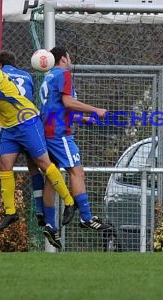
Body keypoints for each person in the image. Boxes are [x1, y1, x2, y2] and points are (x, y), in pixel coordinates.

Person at [0, 48, 75, 241]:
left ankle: (69, 201)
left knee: (43, 163)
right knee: (4, 165)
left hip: (27, 121)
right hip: (10, 127)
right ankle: (11, 212)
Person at [39, 47, 113, 234]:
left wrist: (83, 119)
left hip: (45, 131)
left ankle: (49, 224)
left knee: (51, 178)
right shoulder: (64, 74)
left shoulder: (48, 77)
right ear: (64, 58)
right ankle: (86, 218)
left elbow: (55, 109)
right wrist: (95, 110)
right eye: (69, 57)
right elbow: (68, 103)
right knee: (77, 172)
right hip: (59, 133)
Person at [0, 50, 46, 227]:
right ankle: (41, 209)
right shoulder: (27, 75)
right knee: (35, 166)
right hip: (29, 122)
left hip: (10, 127)